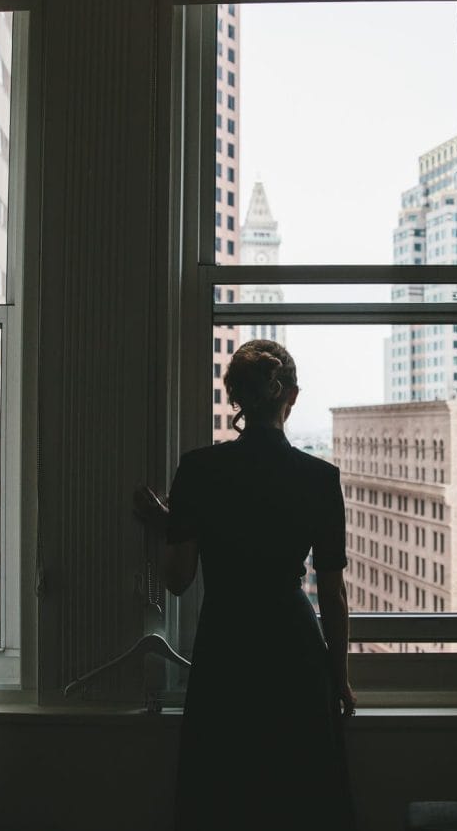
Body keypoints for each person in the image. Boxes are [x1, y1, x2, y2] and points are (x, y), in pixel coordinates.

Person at [138, 339, 356, 831]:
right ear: (291, 396)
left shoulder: (198, 470)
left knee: (226, 795)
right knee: (298, 797)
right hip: (293, 648)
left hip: (227, 645)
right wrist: (338, 676)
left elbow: (176, 580)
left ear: (234, 395)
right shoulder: (320, 478)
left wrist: (168, 526)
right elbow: (333, 595)